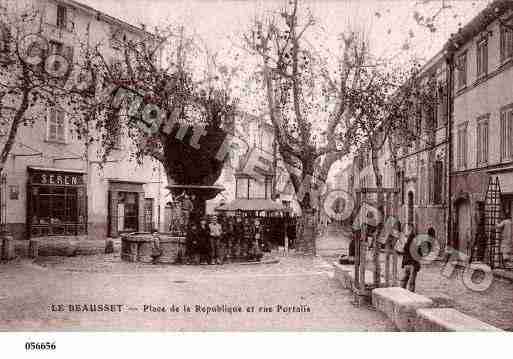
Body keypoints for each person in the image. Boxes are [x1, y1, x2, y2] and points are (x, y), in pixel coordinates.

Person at [400, 223, 421, 292]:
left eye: (409, 229)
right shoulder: (415, 239)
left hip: (408, 263)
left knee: (405, 280)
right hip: (412, 263)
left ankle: (402, 293)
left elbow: (403, 250)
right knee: (410, 282)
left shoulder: (407, 239)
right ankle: (409, 294)